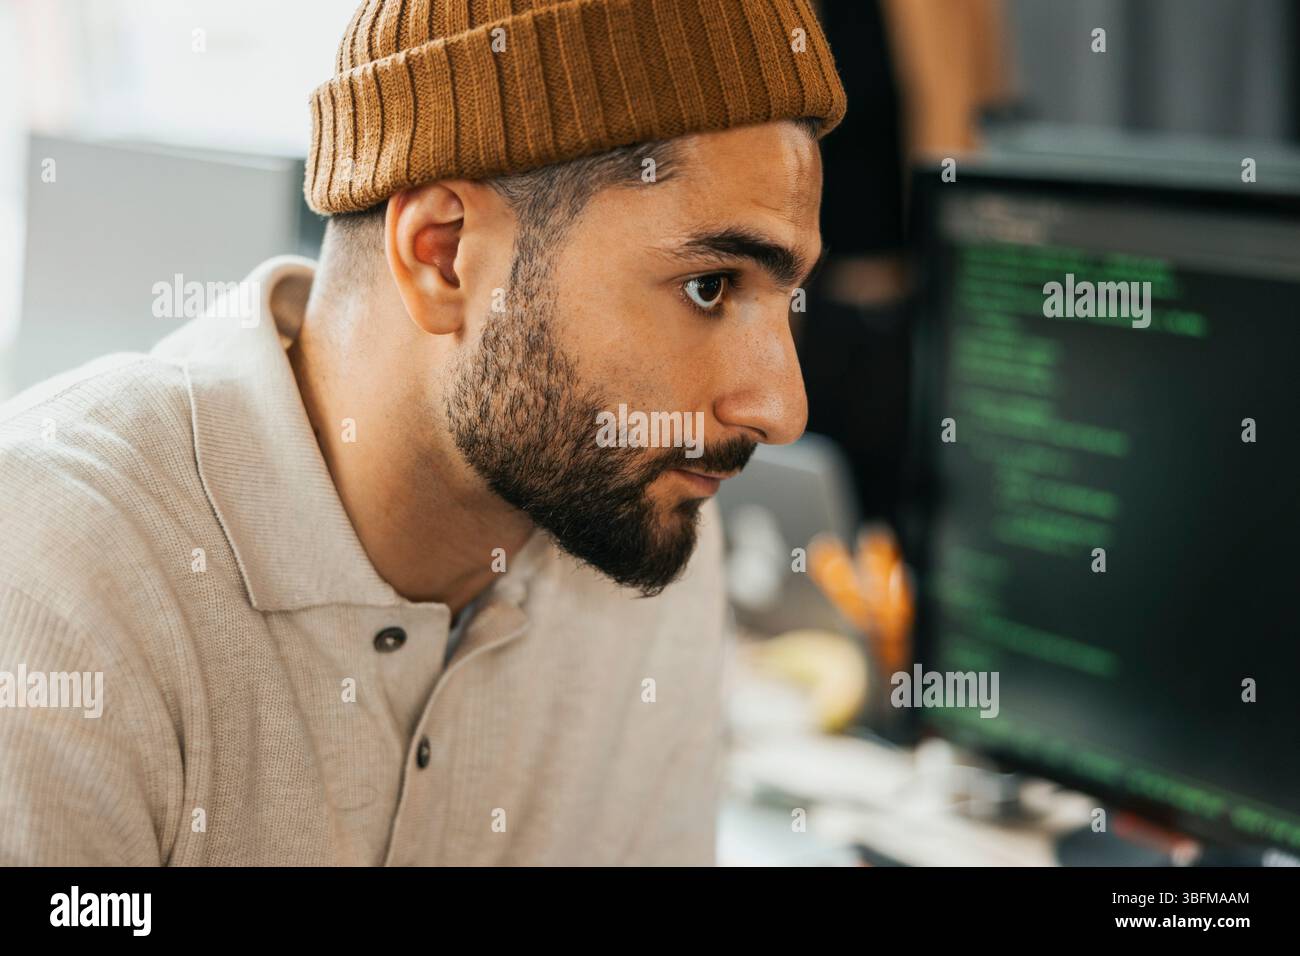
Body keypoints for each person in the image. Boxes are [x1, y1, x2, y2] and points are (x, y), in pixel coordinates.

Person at [0, 0, 845, 864]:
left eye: (789, 303)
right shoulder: (55, 574)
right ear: (443, 253)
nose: (781, 409)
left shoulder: (645, 539)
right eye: (710, 286)